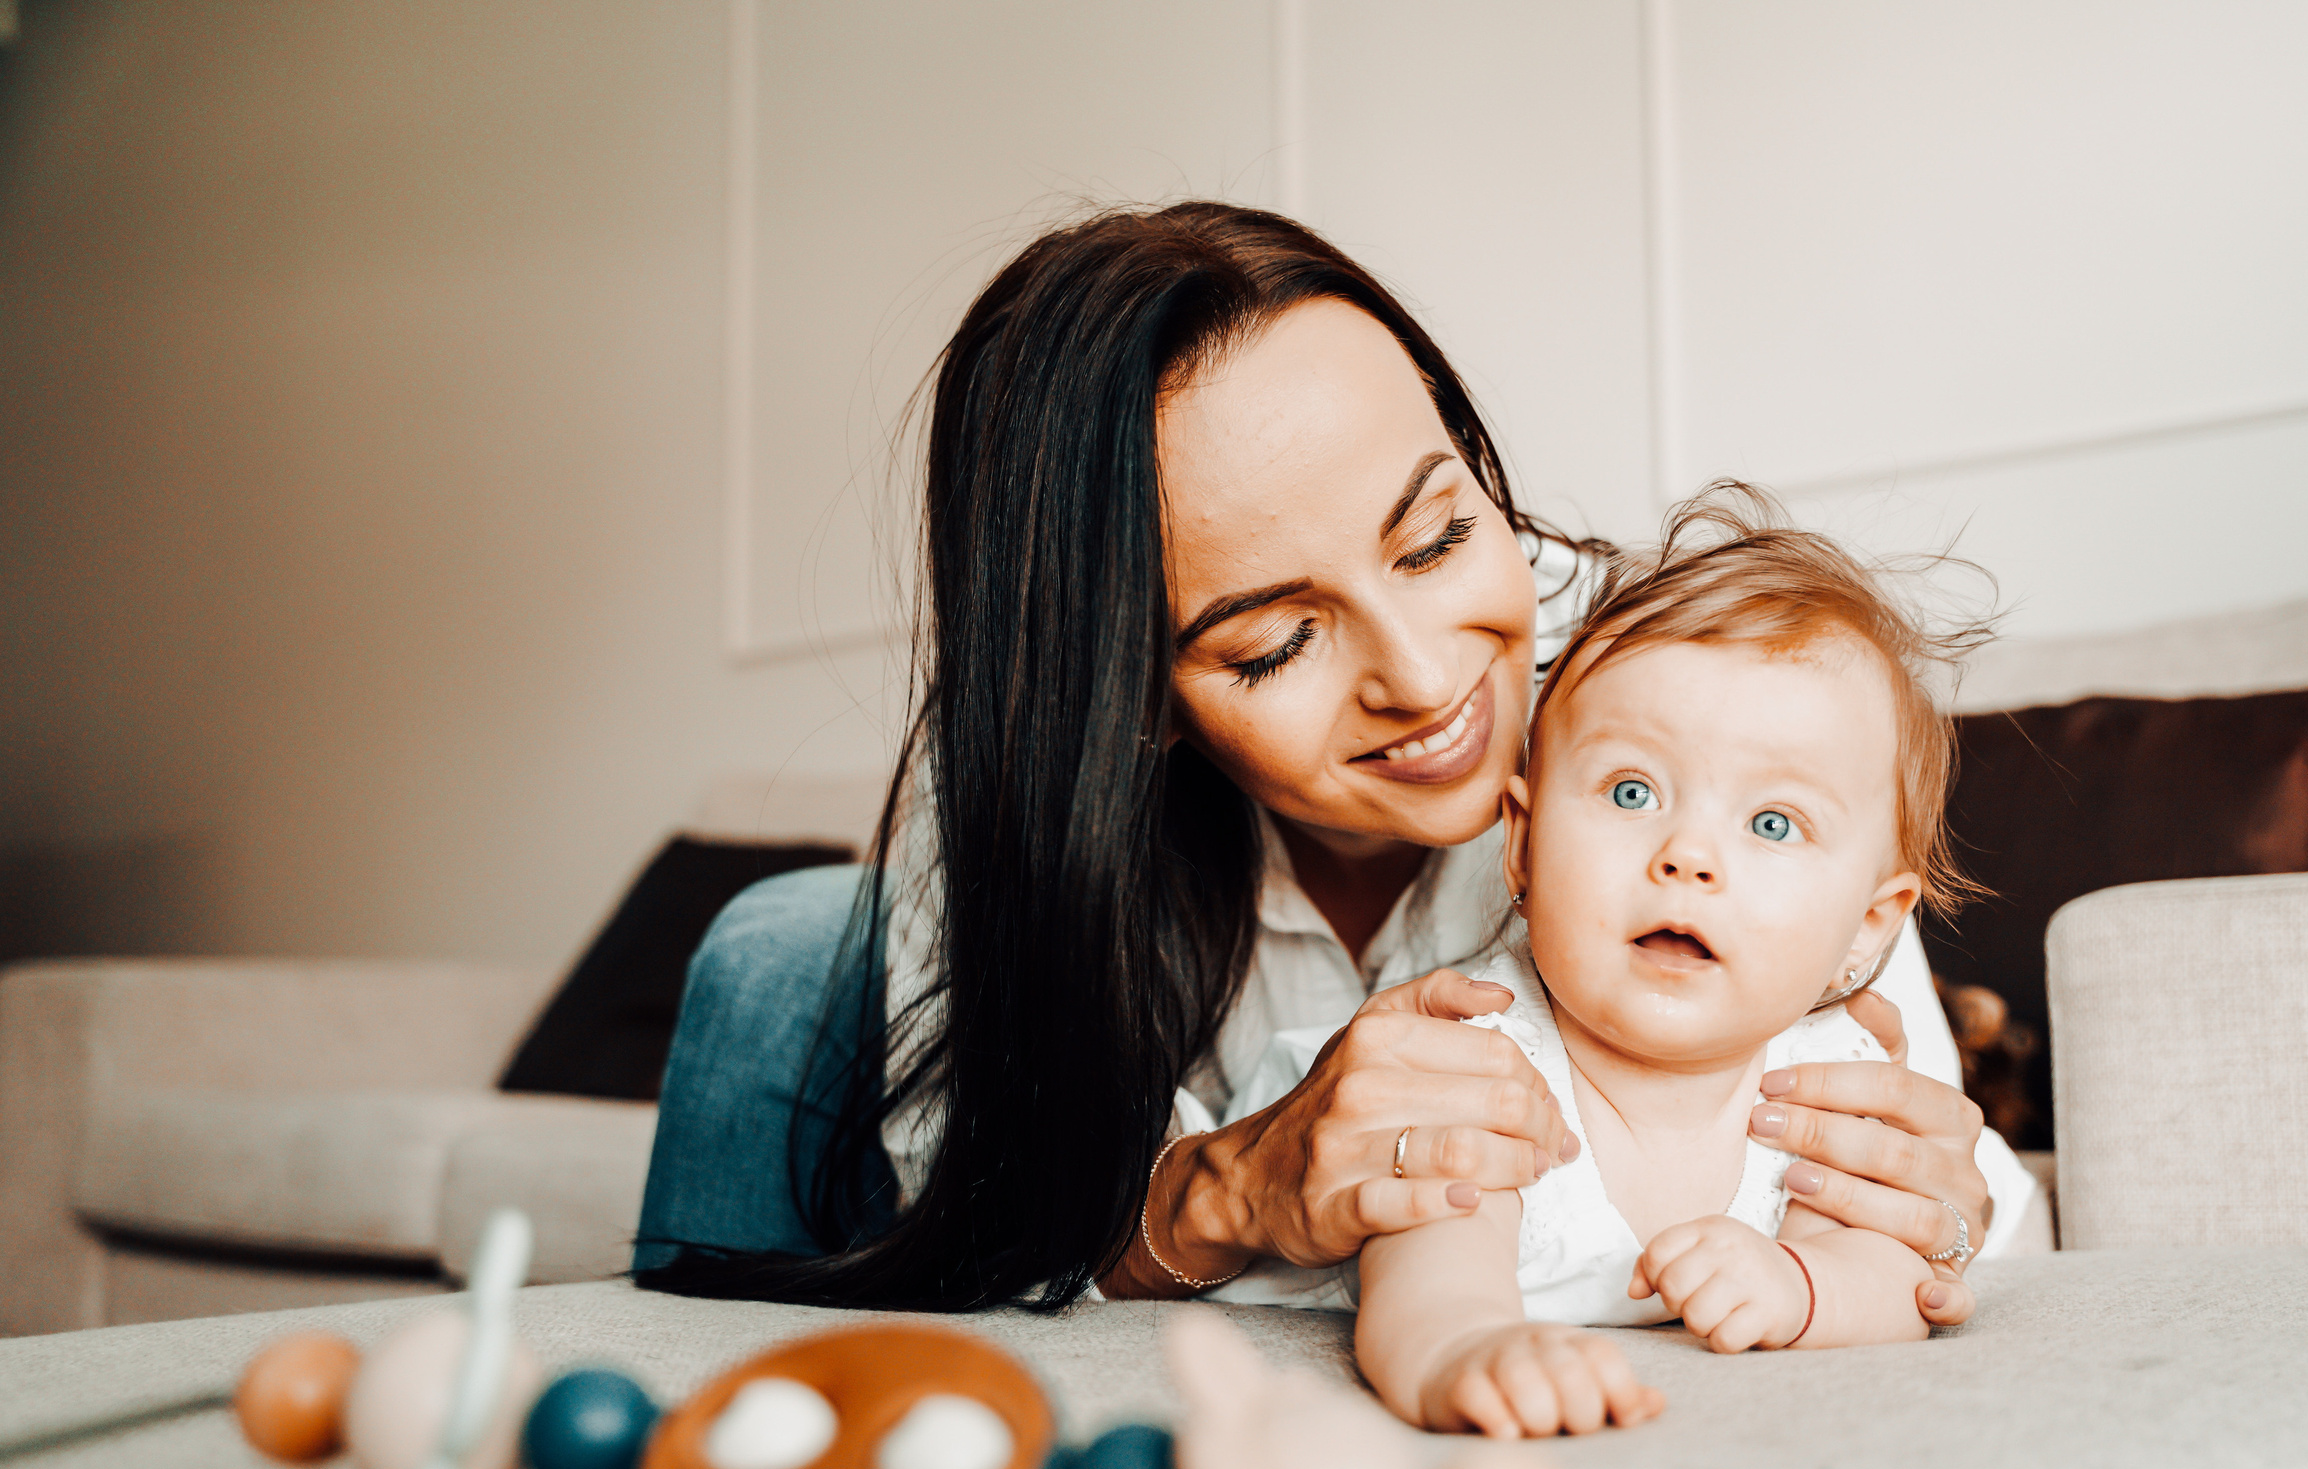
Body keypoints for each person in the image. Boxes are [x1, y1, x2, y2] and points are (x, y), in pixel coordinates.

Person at [632, 202, 2010, 1322]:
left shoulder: (1684, 695)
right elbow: (981, 1219)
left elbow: (1930, 1172)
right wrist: (1229, 1191)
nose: (1423, 677)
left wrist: (1927, 1210)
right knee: (784, 941)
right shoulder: (1020, 779)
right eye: (1274, 644)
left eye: (1437, 537)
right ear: (1126, 696)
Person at [1289, 490, 2034, 1436]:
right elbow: (1430, 1286)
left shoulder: (1829, 1077)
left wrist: (1803, 1286)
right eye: (1633, 791)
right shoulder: (1477, 1058)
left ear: (1867, 927)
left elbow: (1894, 1275)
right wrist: (1466, 1350)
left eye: (1774, 823)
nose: (1688, 856)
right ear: (1521, 847)